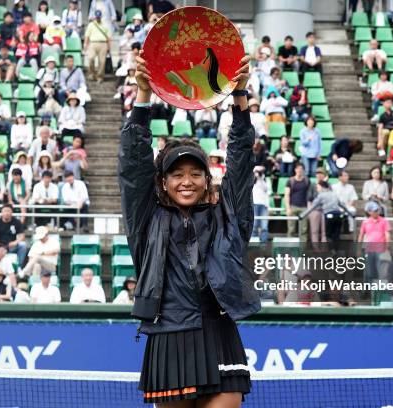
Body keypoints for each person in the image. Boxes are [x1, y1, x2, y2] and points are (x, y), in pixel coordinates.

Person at [119, 52, 257, 405]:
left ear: (206, 178)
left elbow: (240, 165)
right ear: (162, 182)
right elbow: (133, 168)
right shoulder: (146, 219)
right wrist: (143, 98)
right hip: (169, 333)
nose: (187, 181)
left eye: (195, 173)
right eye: (177, 174)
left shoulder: (227, 217)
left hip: (219, 330)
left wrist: (239, 99)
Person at [299, 181, 352, 251]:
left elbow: (312, 207)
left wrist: (302, 215)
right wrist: (351, 214)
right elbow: (342, 205)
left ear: (322, 187)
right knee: (336, 234)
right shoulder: (334, 194)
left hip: (328, 216)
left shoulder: (321, 196)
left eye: (318, 187)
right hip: (338, 215)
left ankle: (330, 250)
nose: (317, 189)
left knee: (328, 235)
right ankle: (335, 250)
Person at [358, 201, 390, 282]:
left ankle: (379, 291)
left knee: (380, 271)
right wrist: (358, 249)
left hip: (381, 249)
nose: (377, 212)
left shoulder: (384, 221)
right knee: (369, 272)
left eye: (377, 210)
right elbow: (361, 235)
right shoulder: (365, 222)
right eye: (374, 210)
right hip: (369, 250)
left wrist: (387, 247)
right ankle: (369, 291)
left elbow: (387, 235)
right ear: (369, 212)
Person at [284, 162, 309, 242]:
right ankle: (290, 248)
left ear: (303, 171)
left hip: (304, 208)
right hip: (293, 207)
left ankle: (303, 249)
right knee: (291, 229)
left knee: (304, 230)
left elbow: (309, 195)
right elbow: (287, 195)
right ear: (295, 170)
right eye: (298, 169)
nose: (299, 170)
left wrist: (308, 208)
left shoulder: (307, 181)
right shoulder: (290, 181)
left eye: (301, 169)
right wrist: (288, 208)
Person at [85, 10, 111, 84]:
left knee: (102, 62)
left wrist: (109, 47)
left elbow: (109, 37)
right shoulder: (91, 24)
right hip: (93, 43)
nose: (98, 18)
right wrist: (85, 45)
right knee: (90, 59)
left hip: (103, 43)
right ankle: (92, 74)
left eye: (99, 17)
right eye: (97, 17)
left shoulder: (105, 25)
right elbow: (87, 35)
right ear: (95, 17)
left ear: (101, 17)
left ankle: (100, 77)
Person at [252, 166, 269, 242]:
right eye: (257, 171)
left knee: (264, 225)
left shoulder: (265, 180)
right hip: (254, 204)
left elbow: (266, 190)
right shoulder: (250, 180)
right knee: (254, 225)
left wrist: (261, 178)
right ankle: (253, 243)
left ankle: (263, 244)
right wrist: (255, 177)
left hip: (264, 205)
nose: (258, 173)